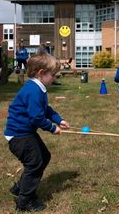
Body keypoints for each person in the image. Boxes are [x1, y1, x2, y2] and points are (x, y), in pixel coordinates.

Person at [4, 53, 70, 212]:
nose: (54, 78)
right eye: (52, 75)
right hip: (19, 135)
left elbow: (45, 110)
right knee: (34, 164)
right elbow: (36, 117)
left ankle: (20, 187)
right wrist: (52, 128)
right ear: (41, 73)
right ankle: (24, 202)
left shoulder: (39, 88)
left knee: (44, 156)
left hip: (25, 133)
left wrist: (58, 120)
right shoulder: (33, 90)